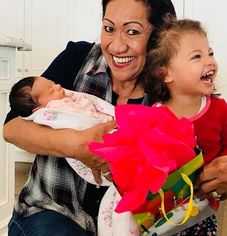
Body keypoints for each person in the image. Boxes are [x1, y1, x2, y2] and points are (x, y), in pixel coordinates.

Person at [3, 0, 177, 235]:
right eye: (109, 28)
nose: (116, 46)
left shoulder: (170, 86)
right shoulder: (77, 57)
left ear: (160, 36)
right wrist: (77, 145)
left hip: (129, 223)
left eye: (132, 31)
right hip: (49, 211)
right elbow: (12, 128)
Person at [144, 18, 227, 235]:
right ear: (166, 73)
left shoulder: (219, 109)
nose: (210, 61)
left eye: (210, 53)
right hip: (165, 214)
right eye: (197, 56)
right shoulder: (153, 118)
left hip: (205, 209)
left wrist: (224, 169)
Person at [9, 76, 114, 121]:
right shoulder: (56, 108)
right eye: (51, 91)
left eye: (53, 83)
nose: (58, 86)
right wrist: (107, 120)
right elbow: (82, 117)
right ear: (39, 109)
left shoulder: (61, 99)